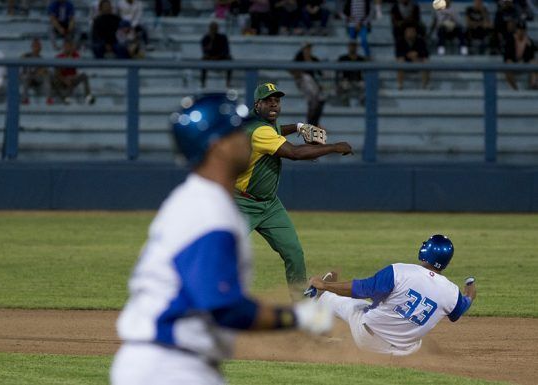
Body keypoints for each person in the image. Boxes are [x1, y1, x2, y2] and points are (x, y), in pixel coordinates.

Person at [110, 93, 333, 385]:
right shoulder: (210, 212)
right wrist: (301, 318)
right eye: (236, 132)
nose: (246, 137)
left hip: (168, 361)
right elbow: (224, 309)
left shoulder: (198, 199)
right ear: (217, 147)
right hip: (170, 367)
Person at [234, 83, 353, 298]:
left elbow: (277, 131)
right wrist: (334, 147)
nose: (273, 104)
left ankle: (300, 305)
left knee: (293, 252)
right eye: (268, 101)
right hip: (242, 204)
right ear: (257, 104)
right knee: (222, 253)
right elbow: (295, 153)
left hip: (269, 204)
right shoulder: (259, 130)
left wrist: (298, 127)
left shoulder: (259, 121)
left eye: (277, 101)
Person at [307, 234, 477, 356]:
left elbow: (362, 289)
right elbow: (464, 305)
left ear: (426, 251)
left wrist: (326, 285)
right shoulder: (452, 293)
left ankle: (320, 301)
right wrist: (470, 288)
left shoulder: (400, 271)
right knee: (411, 333)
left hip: (368, 339)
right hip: (404, 351)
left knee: (349, 305)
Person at [52, 39, 95, 104]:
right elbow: (56, 73)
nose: (67, 48)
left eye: (69, 46)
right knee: (55, 79)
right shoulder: (58, 57)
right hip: (63, 80)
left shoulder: (76, 56)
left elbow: (80, 71)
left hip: (73, 79)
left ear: (71, 47)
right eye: (66, 46)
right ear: (63, 47)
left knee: (84, 76)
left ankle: (88, 96)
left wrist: (72, 77)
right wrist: (64, 79)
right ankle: (64, 97)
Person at [292, 42, 326, 126]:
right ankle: (311, 123)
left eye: (309, 48)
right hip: (303, 81)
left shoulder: (314, 59)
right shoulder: (298, 58)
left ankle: (314, 123)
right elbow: (292, 70)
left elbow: (320, 73)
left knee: (320, 100)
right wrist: (297, 74)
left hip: (313, 83)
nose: (308, 50)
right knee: (306, 79)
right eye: (306, 48)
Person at [503, 22, 538, 90]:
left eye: (523, 30)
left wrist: (523, 61)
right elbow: (506, 56)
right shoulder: (510, 40)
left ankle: (533, 85)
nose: (521, 31)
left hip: (524, 63)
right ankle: (516, 89)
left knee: (534, 63)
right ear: (516, 30)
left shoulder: (529, 42)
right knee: (507, 64)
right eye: (519, 29)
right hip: (513, 63)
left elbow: (531, 56)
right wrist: (514, 62)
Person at [395, 24, 430, 90]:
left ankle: (425, 85)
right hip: (405, 61)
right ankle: (400, 85)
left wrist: (417, 54)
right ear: (405, 33)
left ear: (415, 33)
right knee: (400, 61)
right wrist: (408, 55)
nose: (410, 33)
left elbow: (426, 53)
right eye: (409, 31)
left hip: (417, 60)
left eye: (412, 31)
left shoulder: (420, 41)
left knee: (426, 61)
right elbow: (398, 54)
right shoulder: (400, 41)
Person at [21, 38, 54, 104]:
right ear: (32, 47)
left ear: (40, 48)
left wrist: (41, 71)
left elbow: (44, 69)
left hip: (37, 78)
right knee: (25, 77)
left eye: (38, 46)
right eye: (35, 46)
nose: (36, 48)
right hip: (28, 77)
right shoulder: (26, 56)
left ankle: (49, 99)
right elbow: (21, 66)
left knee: (47, 75)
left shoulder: (41, 59)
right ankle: (25, 99)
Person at [201, 22, 232, 88]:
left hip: (220, 57)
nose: (213, 30)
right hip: (210, 57)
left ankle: (228, 82)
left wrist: (218, 56)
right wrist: (211, 40)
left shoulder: (223, 37)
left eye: (215, 28)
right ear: (209, 29)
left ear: (217, 29)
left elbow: (226, 50)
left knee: (230, 58)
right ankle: (203, 83)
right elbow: (205, 51)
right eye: (212, 28)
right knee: (203, 59)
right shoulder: (205, 38)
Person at [336, 41, 365, 106]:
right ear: (348, 47)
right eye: (351, 46)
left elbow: (366, 71)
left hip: (358, 80)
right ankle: (345, 105)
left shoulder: (361, 59)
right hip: (346, 80)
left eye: (354, 46)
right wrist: (337, 83)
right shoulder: (342, 58)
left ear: (357, 48)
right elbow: (337, 72)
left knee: (364, 85)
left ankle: (363, 105)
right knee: (343, 85)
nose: (352, 48)